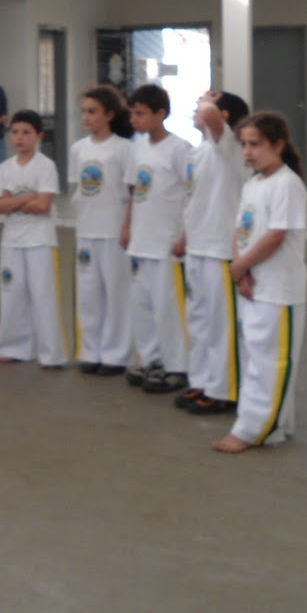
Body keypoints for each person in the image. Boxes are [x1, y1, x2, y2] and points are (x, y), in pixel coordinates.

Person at [214, 112, 307, 454]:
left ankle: (253, 429)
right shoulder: (253, 184)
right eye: (243, 144)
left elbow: (276, 235)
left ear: (278, 144)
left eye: (255, 144)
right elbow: (242, 229)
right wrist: (241, 269)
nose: (247, 152)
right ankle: (272, 425)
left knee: (271, 362)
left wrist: (241, 266)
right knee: (254, 358)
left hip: (278, 288)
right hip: (253, 283)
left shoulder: (287, 184)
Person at [177, 90, 251, 415]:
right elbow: (195, 201)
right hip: (197, 246)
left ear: (225, 117)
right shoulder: (199, 151)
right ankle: (202, 380)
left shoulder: (229, 147)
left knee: (222, 324)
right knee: (199, 320)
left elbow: (210, 116)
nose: (198, 110)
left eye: (202, 106)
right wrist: (186, 237)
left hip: (220, 249)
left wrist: (209, 99)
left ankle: (224, 388)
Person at [125, 84, 192, 393]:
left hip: (167, 241)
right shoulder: (137, 148)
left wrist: (185, 235)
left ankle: (177, 366)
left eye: (141, 113)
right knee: (143, 305)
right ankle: (152, 359)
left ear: (160, 114)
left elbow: (193, 195)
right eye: (132, 113)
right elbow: (134, 192)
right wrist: (127, 226)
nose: (134, 119)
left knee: (169, 307)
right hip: (141, 239)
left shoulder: (180, 149)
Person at [0, 110, 66, 368]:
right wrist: (25, 198)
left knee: (43, 296)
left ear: (38, 136)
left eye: (26, 133)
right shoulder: (4, 168)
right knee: (12, 294)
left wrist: (11, 201)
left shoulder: (45, 166)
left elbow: (43, 205)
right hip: (12, 240)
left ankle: (50, 353)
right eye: (15, 132)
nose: (19, 138)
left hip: (39, 240)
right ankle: (13, 347)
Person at [69, 86, 134, 377]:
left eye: (92, 111)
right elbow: (78, 189)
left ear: (109, 115)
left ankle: (115, 354)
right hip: (86, 229)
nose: (86, 117)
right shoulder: (78, 148)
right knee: (88, 294)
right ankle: (90, 350)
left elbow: (132, 193)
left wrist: (127, 226)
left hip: (113, 230)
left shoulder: (124, 148)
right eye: (84, 111)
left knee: (116, 294)